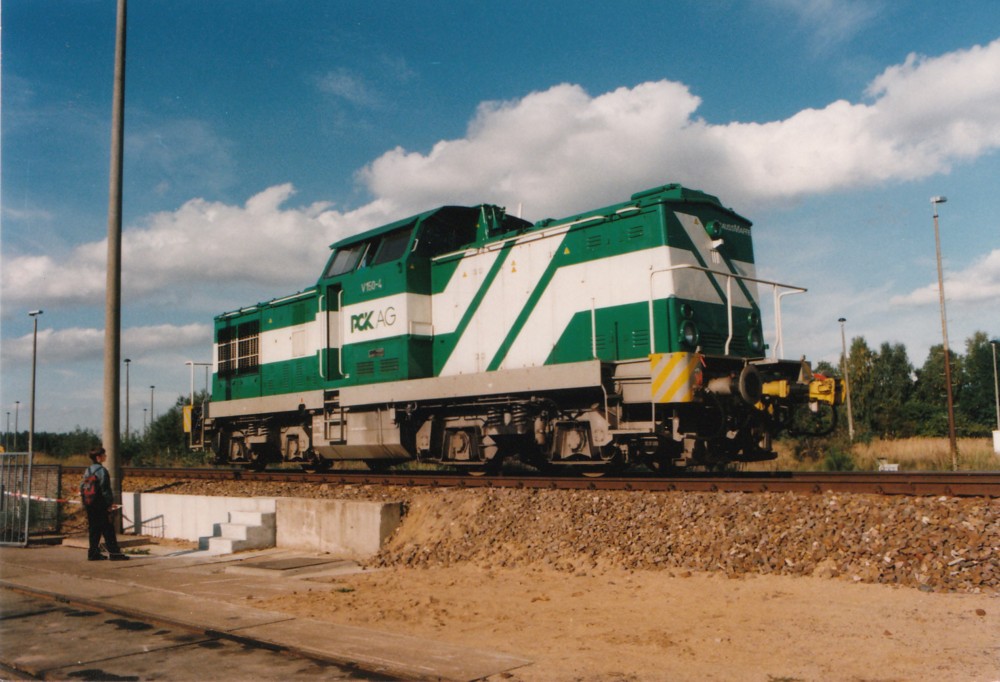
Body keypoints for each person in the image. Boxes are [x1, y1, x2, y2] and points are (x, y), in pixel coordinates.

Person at [80, 447, 129, 561]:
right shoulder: (102, 471)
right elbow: (105, 490)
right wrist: (109, 504)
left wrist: (85, 502)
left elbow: (82, 486)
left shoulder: (88, 470)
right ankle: (115, 553)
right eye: (104, 455)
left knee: (94, 529)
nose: (105, 456)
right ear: (98, 457)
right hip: (100, 504)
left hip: (90, 503)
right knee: (108, 529)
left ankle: (93, 553)